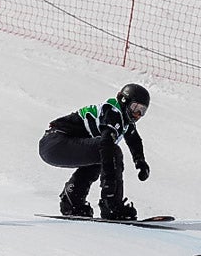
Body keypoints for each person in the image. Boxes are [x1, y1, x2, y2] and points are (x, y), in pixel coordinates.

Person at [39, 83, 152, 220]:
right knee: (110, 151)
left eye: (142, 110)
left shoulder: (124, 120)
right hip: (56, 142)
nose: (137, 114)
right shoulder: (112, 111)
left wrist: (140, 161)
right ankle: (111, 204)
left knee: (101, 155)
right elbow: (107, 145)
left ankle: (73, 200)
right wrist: (110, 193)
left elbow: (134, 140)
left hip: (54, 145)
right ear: (124, 101)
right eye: (135, 107)